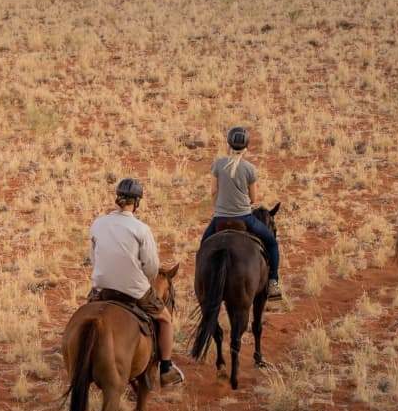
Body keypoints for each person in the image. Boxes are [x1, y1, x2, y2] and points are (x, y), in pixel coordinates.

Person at [88, 178, 184, 387]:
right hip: (132, 289)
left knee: (88, 312)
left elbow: (94, 258)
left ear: (117, 198)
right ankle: (166, 367)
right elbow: (150, 268)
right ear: (137, 202)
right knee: (165, 319)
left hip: (101, 286)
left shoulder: (98, 223)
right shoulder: (141, 229)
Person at [200, 127, 283, 300]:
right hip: (244, 218)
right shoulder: (250, 168)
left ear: (228, 144)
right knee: (272, 243)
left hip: (220, 219)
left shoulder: (218, 164)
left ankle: (202, 283)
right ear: (246, 146)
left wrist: (220, 208)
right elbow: (253, 198)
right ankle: (273, 282)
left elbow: (213, 191)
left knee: (203, 248)